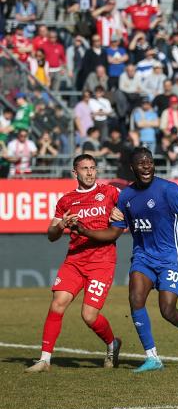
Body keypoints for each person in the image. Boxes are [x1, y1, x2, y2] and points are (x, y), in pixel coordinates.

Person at [72, 147, 178, 373]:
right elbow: (113, 233)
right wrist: (83, 230)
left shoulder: (169, 189)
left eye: (149, 162)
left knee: (167, 311)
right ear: (133, 168)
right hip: (143, 257)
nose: (146, 166)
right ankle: (152, 357)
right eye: (141, 163)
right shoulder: (127, 196)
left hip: (170, 257)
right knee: (135, 299)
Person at [25, 154, 122, 373]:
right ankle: (45, 360)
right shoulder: (66, 200)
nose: (89, 172)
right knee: (57, 303)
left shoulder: (110, 192)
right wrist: (61, 226)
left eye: (93, 168)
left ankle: (111, 344)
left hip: (102, 261)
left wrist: (123, 214)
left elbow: (131, 206)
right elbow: (51, 234)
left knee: (89, 316)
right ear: (74, 172)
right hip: (75, 260)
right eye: (84, 168)